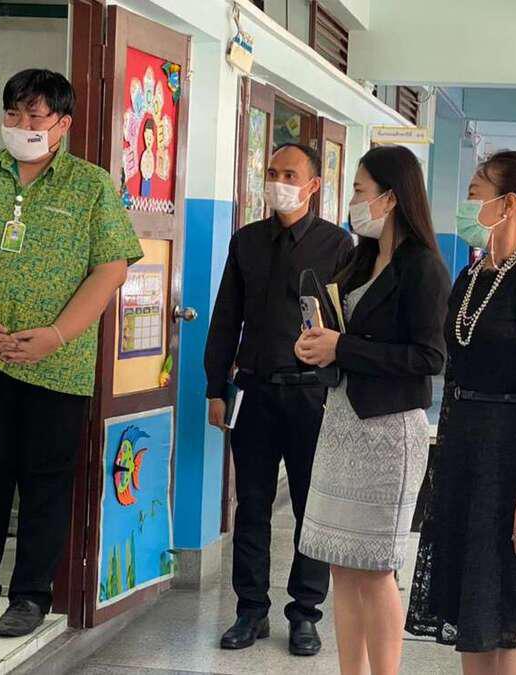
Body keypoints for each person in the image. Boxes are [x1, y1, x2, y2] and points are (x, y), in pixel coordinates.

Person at [0, 69, 143, 638]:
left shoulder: (91, 185)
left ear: (62, 124)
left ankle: (29, 596)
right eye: (13, 113)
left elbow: (111, 269)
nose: (22, 124)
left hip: (57, 362)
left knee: (46, 479)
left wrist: (58, 335)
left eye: (35, 115)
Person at [406, 151, 516, 675]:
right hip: (467, 456)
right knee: (474, 614)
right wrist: (442, 466)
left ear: (507, 204)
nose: (465, 204)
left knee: (515, 611)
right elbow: (456, 376)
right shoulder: (470, 276)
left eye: (474, 192)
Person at [296, 144, 451, 675]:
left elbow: (429, 357)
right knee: (342, 565)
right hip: (342, 420)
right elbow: (340, 331)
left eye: (360, 191)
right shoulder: (358, 257)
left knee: (376, 567)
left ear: (390, 197)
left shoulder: (424, 267)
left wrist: (343, 348)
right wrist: (316, 344)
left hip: (388, 431)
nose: (354, 202)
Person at [204, 143, 354, 656]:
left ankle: (305, 613)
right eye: (272, 172)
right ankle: (250, 611)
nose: (279, 182)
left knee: (312, 508)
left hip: (313, 396)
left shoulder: (338, 245)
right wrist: (215, 387)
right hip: (254, 391)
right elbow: (226, 318)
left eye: (290, 174)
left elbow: (346, 323)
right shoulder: (246, 241)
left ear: (313, 185)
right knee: (251, 505)